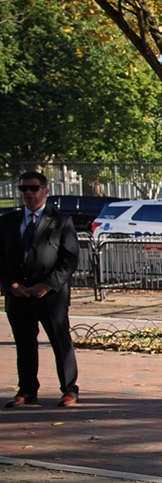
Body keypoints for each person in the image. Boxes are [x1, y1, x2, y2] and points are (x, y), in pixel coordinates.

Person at [1, 171, 81, 408]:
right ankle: (26, 390)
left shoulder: (61, 220)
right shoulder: (7, 222)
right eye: (23, 189)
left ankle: (69, 389)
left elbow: (70, 259)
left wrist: (48, 284)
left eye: (33, 188)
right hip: (19, 294)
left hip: (50, 295)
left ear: (45, 191)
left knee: (60, 341)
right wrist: (10, 285)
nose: (28, 193)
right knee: (25, 344)